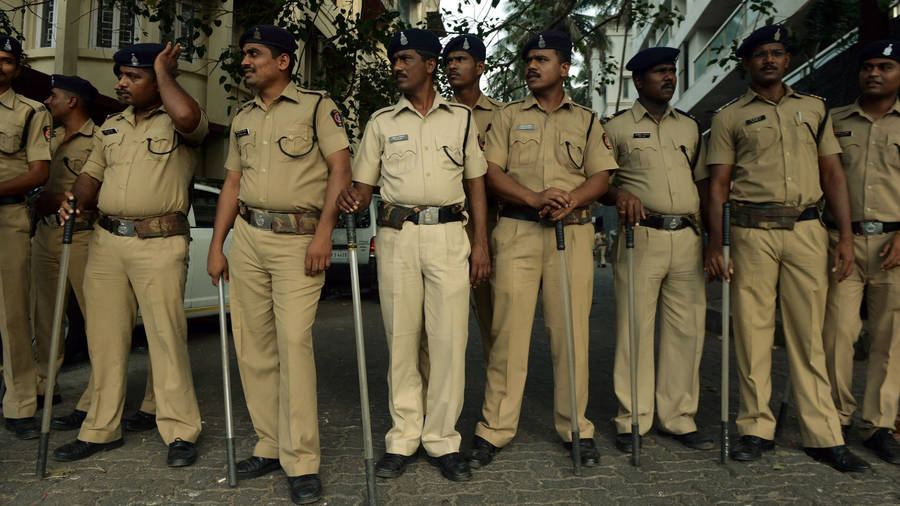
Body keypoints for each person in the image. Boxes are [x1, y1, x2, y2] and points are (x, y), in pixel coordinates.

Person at [704, 25, 869, 472]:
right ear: (747, 64)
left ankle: (822, 434)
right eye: (760, 54)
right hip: (752, 233)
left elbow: (833, 175)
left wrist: (847, 237)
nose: (770, 60)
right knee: (753, 335)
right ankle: (755, 428)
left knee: (808, 335)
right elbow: (717, 187)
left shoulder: (814, 109)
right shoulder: (729, 117)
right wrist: (717, 245)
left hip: (807, 231)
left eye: (777, 52)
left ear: (788, 59)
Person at [206, 25, 352, 504]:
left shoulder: (316, 105)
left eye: (254, 54)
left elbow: (340, 169)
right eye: (244, 54)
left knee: (293, 344)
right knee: (253, 346)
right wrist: (217, 244)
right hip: (248, 236)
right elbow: (231, 183)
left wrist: (325, 233)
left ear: (283, 61)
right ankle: (270, 443)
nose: (245, 61)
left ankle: (302, 458)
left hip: (299, 240)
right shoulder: (243, 114)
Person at [337, 28, 490, 482]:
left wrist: (480, 244)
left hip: (448, 238)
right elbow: (362, 190)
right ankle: (403, 437)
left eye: (405, 58)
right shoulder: (382, 122)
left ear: (429, 64)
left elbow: (476, 184)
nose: (397, 67)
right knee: (401, 341)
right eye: (394, 59)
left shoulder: (461, 119)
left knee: (448, 343)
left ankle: (442, 440)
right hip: (397, 237)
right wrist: (348, 198)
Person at [467, 29, 617, 470]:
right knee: (507, 335)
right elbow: (489, 172)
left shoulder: (588, 120)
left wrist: (572, 198)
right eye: (528, 60)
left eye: (542, 59)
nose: (532, 67)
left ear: (564, 67)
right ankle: (494, 428)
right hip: (516, 230)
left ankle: (576, 428)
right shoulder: (509, 116)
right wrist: (533, 198)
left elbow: (602, 176)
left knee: (571, 334)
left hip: (570, 233)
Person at [52, 42, 207, 468]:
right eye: (120, 74)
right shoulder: (112, 126)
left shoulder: (178, 120)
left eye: (133, 76)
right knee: (104, 341)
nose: (121, 83)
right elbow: (91, 176)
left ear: (157, 81)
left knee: (165, 339)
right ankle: (101, 428)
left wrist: (164, 73)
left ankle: (179, 430)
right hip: (106, 243)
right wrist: (75, 200)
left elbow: (191, 120)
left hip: (160, 242)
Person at [602, 47, 712, 453]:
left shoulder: (690, 127)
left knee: (686, 331)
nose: (669, 78)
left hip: (687, 236)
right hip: (640, 236)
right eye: (660, 72)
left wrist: (713, 239)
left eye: (672, 71)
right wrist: (619, 194)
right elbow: (599, 181)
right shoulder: (615, 128)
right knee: (635, 329)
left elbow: (701, 183)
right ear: (638, 80)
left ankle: (679, 418)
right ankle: (632, 420)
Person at [36, 75, 157, 433]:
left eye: (54, 96)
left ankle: (95, 399)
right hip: (47, 233)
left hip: (87, 234)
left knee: (100, 325)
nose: (47, 102)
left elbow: (101, 186)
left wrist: (56, 200)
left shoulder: (102, 134)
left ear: (72, 101)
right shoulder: (51, 136)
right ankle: (43, 388)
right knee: (46, 318)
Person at [823, 39, 900, 465]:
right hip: (842, 243)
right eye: (868, 66)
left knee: (890, 339)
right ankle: (836, 416)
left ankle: (878, 424)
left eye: (885, 66)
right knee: (838, 332)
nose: (874, 73)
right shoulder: (834, 122)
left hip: (895, 245)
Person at [0, 34, 52, 440]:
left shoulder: (32, 112)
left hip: (8, 218)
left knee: (12, 315)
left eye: (6, 60)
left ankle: (19, 404)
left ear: (18, 67)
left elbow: (39, 172)